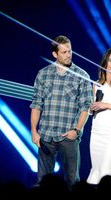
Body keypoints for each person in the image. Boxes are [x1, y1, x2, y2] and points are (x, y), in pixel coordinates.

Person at [30, 35, 93, 188]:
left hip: (69, 136)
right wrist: (33, 130)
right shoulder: (43, 74)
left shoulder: (82, 76)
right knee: (42, 181)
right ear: (55, 54)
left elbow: (86, 107)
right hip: (46, 134)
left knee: (72, 181)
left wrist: (76, 130)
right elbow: (37, 103)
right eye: (64, 52)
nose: (68, 55)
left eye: (69, 51)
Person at [87, 48, 111, 185]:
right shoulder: (97, 85)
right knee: (96, 168)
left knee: (106, 169)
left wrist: (106, 105)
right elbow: (92, 108)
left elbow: (104, 105)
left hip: (110, 133)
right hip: (96, 133)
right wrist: (92, 108)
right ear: (105, 63)